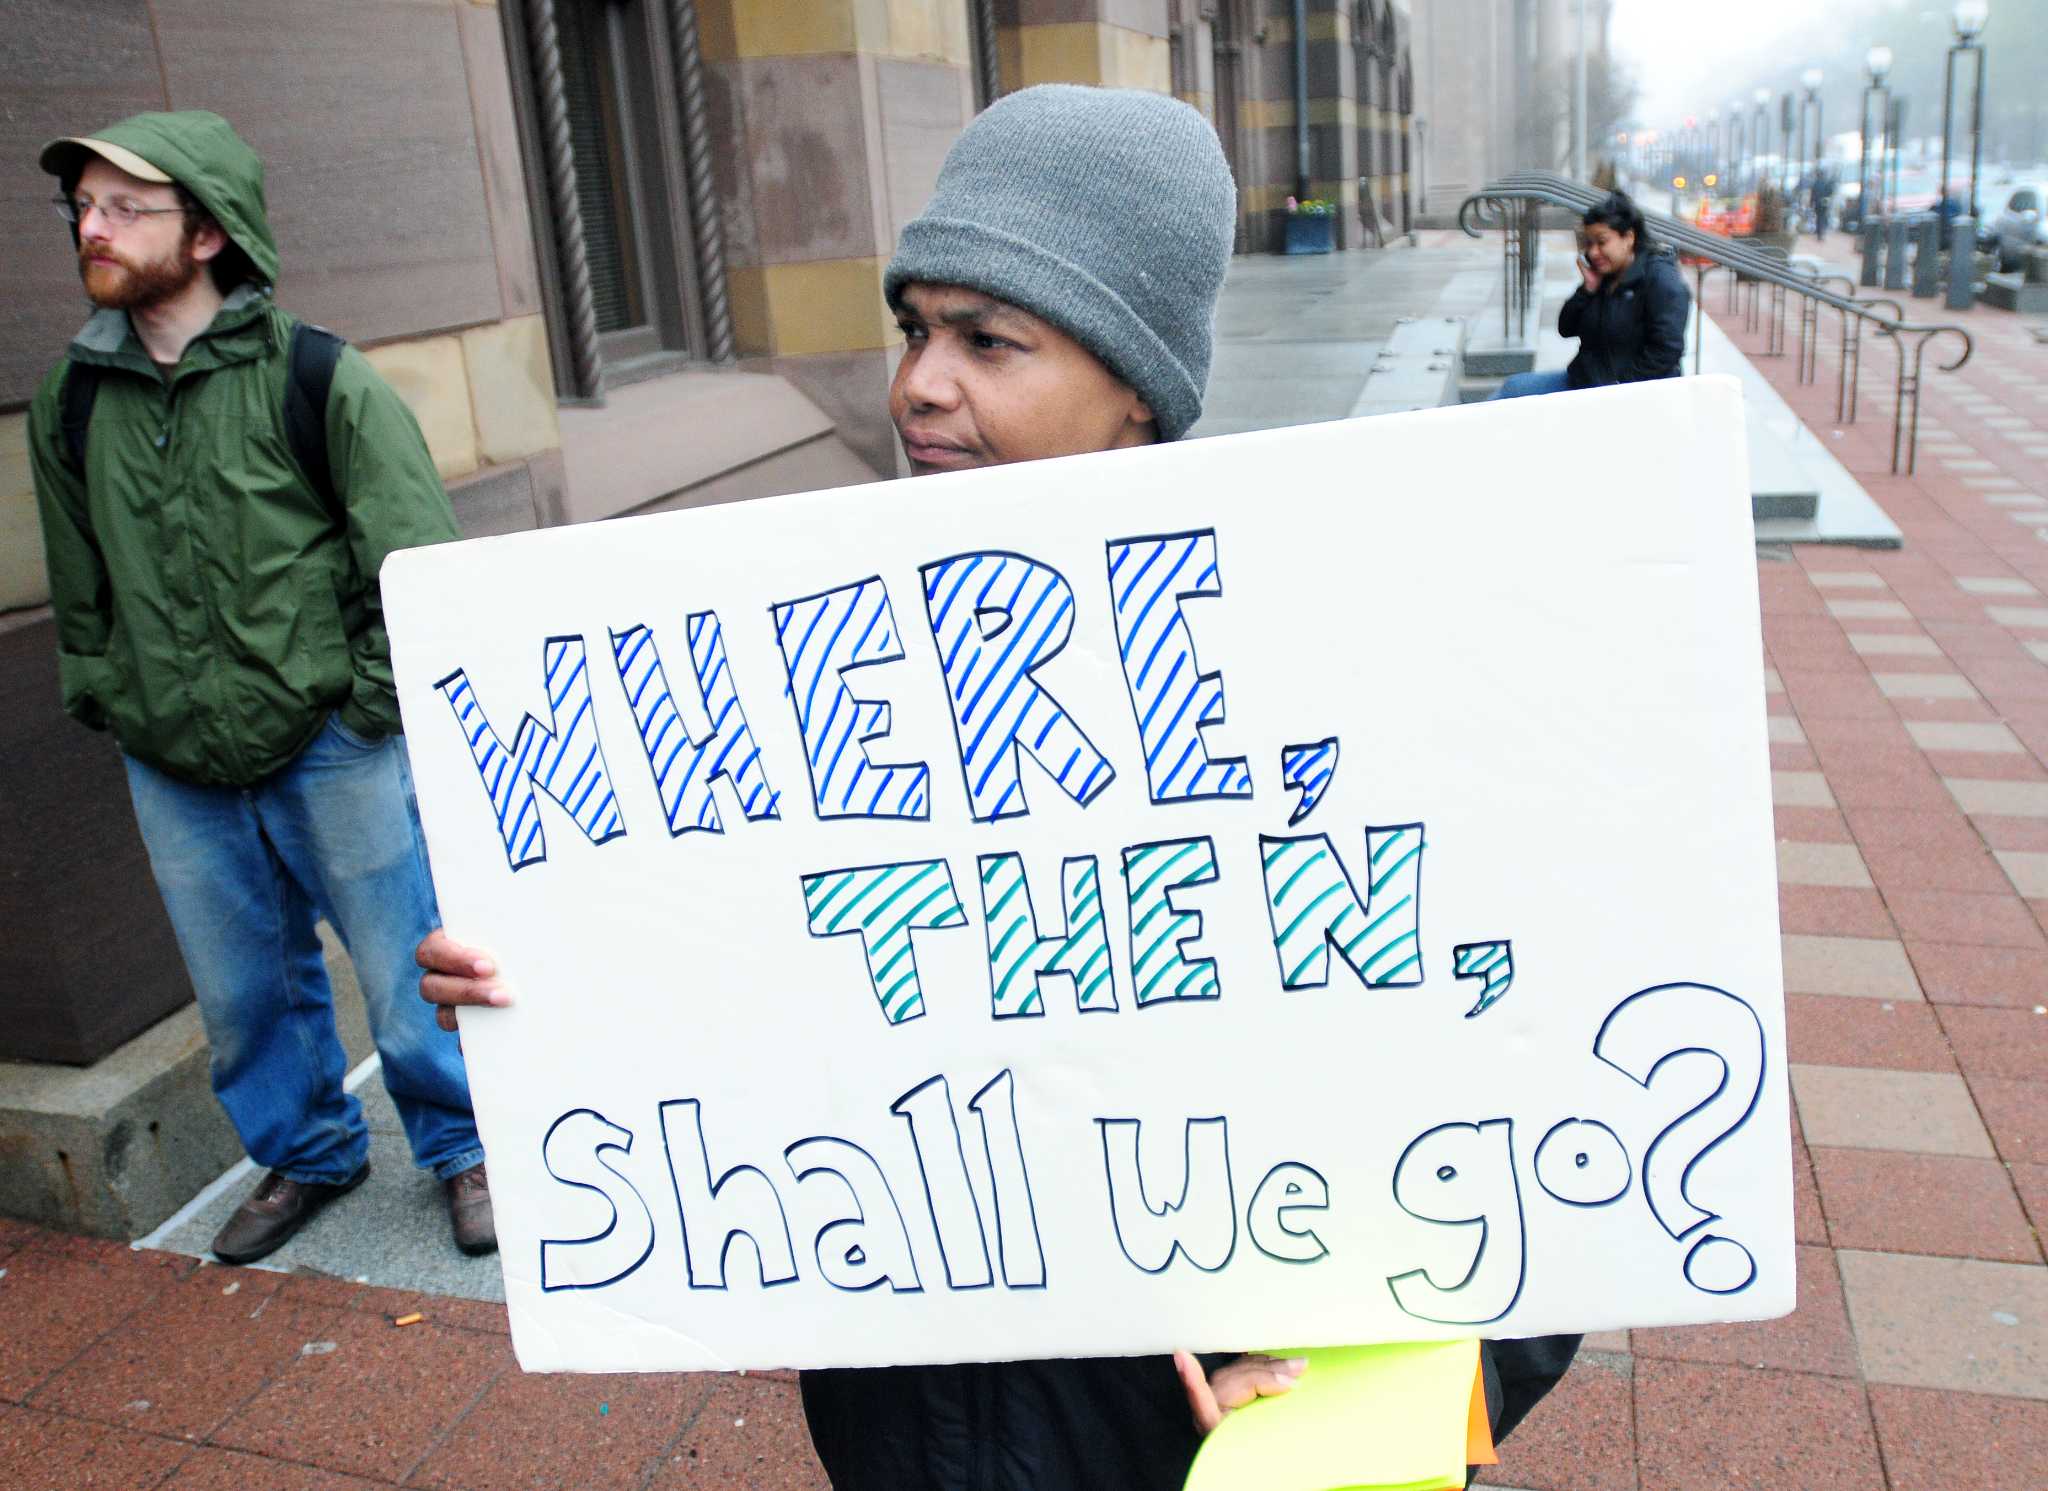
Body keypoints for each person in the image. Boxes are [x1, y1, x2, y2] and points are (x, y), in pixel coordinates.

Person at [417, 84, 1574, 1490]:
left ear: (1135, 378)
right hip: (911, 1423)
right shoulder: (821, 674)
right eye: (914, 327)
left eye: (989, 339)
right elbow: (751, 978)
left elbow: (1544, 1162)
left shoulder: (1333, 665)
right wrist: (554, 975)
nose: (918, 381)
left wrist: (1348, 1362)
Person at [27, 111, 494, 1265]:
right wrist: (113, 700)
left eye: (124, 206)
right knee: (239, 993)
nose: (92, 225)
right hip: (173, 759)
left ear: (204, 233)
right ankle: (306, 1154)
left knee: (406, 970)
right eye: (81, 206)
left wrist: (368, 707)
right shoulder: (73, 401)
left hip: (333, 739)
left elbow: (414, 563)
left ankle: (468, 1146)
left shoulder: (319, 378)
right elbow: (78, 585)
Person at [1493, 190, 1690, 400]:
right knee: (1512, 388)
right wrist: (1587, 289)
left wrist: (1618, 387)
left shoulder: (1660, 280)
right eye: (1589, 243)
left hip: (1623, 397)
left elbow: (1667, 351)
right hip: (1585, 383)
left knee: (1513, 397)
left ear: (1629, 237)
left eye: (1602, 242)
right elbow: (1566, 328)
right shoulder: (1605, 276)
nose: (1593, 252)